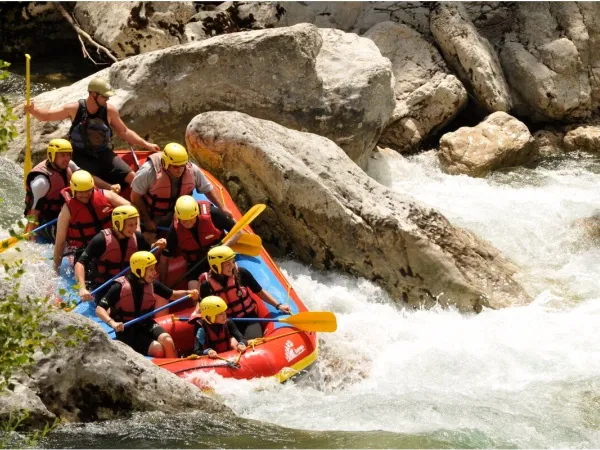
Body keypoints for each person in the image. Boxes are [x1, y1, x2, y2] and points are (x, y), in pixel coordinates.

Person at [24, 77, 160, 187]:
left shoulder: (110, 110)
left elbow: (124, 132)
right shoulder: (75, 108)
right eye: (105, 96)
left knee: (133, 178)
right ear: (93, 94)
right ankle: (109, 190)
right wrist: (33, 111)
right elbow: (47, 116)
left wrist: (146, 145)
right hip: (81, 156)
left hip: (104, 153)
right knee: (89, 181)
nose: (107, 99)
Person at [95, 251, 199, 357]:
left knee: (167, 340)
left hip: (146, 324)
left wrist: (189, 293)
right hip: (127, 330)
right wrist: (113, 323)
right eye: (151, 269)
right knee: (158, 349)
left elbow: (173, 295)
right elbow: (99, 309)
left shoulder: (152, 284)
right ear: (139, 270)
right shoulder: (119, 287)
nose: (155, 272)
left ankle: (174, 367)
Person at [130, 143, 232, 242]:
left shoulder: (192, 170)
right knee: (149, 238)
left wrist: (223, 208)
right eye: (175, 166)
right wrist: (147, 219)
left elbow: (208, 189)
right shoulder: (148, 172)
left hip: (184, 216)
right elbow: (135, 197)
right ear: (165, 163)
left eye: (182, 165)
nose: (180, 170)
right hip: (155, 216)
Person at [24, 139, 120, 240]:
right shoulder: (41, 183)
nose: (66, 158)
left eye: (68, 155)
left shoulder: (69, 164)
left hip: (65, 210)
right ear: (52, 156)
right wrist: (30, 238)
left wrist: (109, 186)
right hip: (46, 220)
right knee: (70, 231)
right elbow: (34, 214)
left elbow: (87, 178)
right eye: (62, 155)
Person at [74, 205, 166, 301]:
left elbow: (147, 255)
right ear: (118, 223)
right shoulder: (101, 240)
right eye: (130, 225)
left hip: (126, 282)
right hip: (104, 285)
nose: (134, 228)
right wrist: (82, 288)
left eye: (136, 224)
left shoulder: (137, 237)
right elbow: (80, 263)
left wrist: (156, 247)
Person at [199, 245, 291, 339]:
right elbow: (205, 311)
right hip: (225, 322)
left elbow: (260, 291)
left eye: (232, 262)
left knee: (253, 339)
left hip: (249, 318)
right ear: (216, 266)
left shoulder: (241, 273)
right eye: (227, 264)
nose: (232, 266)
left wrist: (279, 306)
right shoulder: (206, 286)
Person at [53, 170, 130, 272]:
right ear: (73, 190)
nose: (85, 194)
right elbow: (60, 242)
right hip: (86, 251)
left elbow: (130, 208)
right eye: (80, 192)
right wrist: (55, 269)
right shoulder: (67, 210)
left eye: (88, 190)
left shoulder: (105, 195)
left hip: (111, 243)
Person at [157, 195, 237, 288]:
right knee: (193, 288)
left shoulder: (213, 214)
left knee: (231, 283)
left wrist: (223, 246)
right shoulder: (175, 229)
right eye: (184, 220)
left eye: (190, 219)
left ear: (196, 213)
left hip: (220, 258)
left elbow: (238, 232)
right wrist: (162, 284)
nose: (187, 223)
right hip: (196, 264)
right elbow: (165, 257)